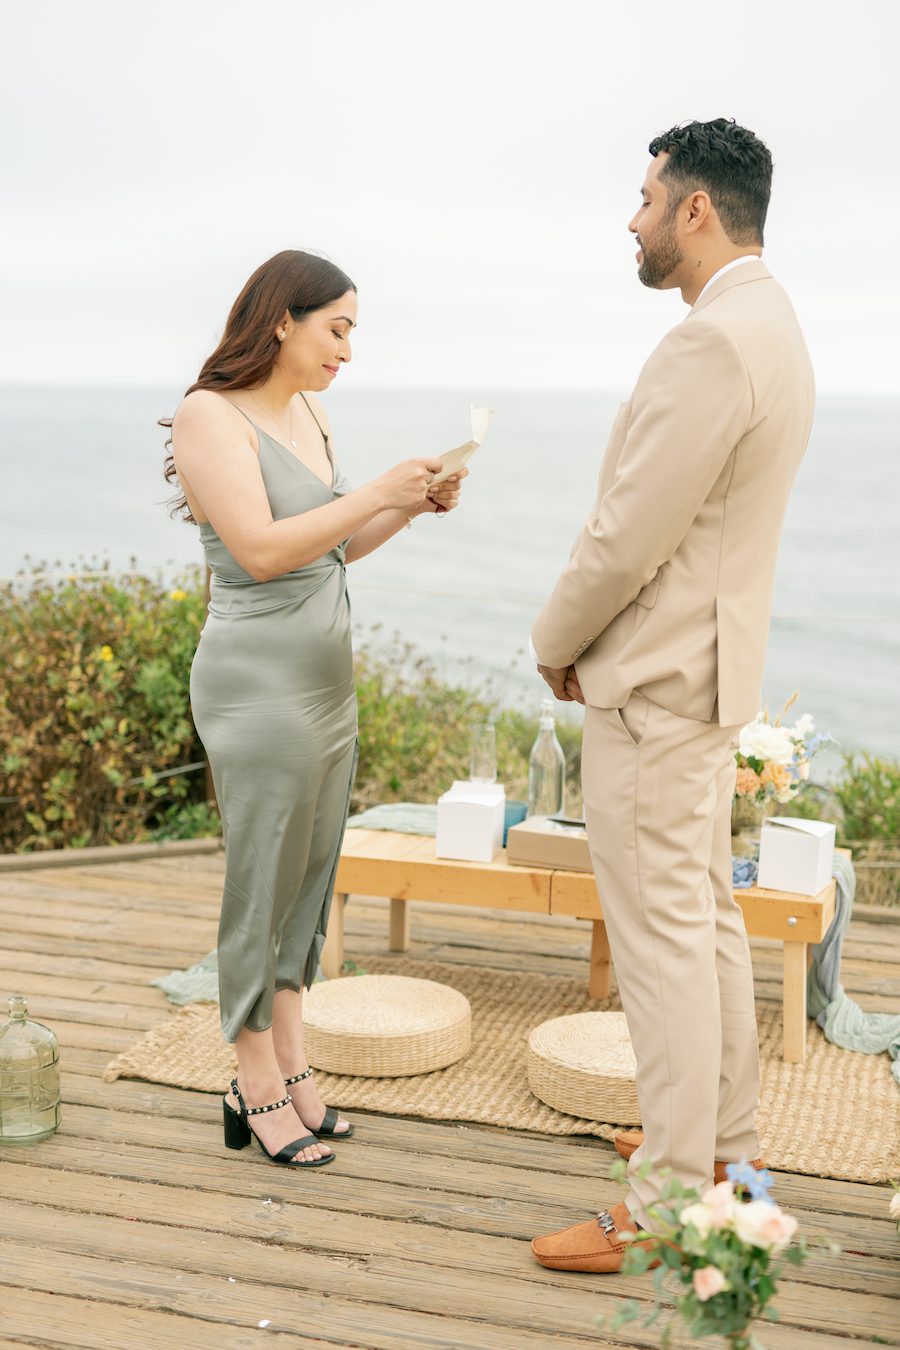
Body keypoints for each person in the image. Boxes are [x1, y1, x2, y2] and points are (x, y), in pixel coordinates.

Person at [529, 120, 814, 1270]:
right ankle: (724, 1161)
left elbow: (628, 532)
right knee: (703, 928)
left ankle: (658, 1201)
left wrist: (556, 639)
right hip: (709, 676)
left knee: (660, 946)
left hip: (655, 684)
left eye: (648, 197)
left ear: (697, 209)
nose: (634, 218)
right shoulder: (776, 324)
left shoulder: (710, 343)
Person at [166, 250, 466, 1168]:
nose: (347, 350)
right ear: (281, 321)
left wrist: (408, 507)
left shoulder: (310, 413)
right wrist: (372, 489)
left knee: (308, 880)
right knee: (260, 882)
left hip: (328, 688)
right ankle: (252, 1078)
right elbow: (259, 551)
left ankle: (292, 1065)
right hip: (257, 689)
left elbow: (328, 552)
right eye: (337, 328)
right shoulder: (207, 416)